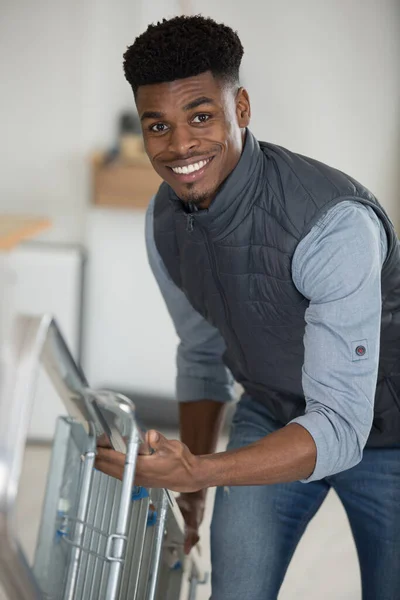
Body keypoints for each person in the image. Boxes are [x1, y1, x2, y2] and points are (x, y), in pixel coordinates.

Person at [95, 15, 400, 600]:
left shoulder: (332, 223)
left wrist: (199, 468)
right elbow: (202, 352)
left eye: (202, 116)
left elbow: (340, 427)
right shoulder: (164, 223)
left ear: (243, 108)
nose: (180, 146)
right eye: (159, 125)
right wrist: (191, 493)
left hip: (387, 429)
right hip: (273, 410)